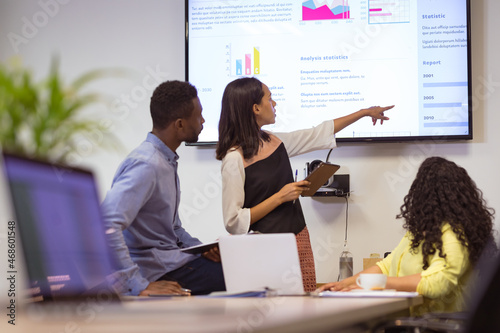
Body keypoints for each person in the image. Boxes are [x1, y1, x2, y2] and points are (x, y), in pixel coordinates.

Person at [215, 77, 394, 292]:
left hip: (298, 237)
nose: (275, 104)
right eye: (270, 99)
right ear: (255, 108)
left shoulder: (274, 141)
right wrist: (280, 197)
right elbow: (233, 221)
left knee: (303, 307)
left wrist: (363, 113)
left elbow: (318, 133)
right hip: (265, 247)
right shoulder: (234, 158)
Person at [318, 156, 497, 315]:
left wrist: (380, 283)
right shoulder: (419, 231)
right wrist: (345, 284)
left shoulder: (454, 234)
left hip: (442, 323)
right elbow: (386, 266)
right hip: (416, 319)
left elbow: (437, 283)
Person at [101, 80, 225, 296]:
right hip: (154, 270)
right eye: (199, 115)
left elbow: (174, 229)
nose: (203, 120)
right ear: (179, 124)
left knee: (238, 268)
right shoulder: (147, 164)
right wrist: (137, 285)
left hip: (170, 260)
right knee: (242, 275)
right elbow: (107, 223)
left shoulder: (165, 161)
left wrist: (203, 250)